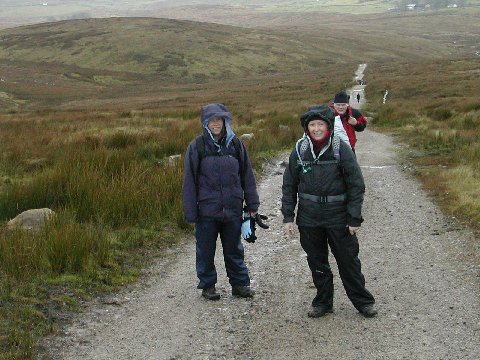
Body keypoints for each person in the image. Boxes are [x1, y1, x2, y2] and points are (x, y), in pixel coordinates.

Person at [281, 105, 377, 318]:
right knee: (317, 262)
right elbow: (289, 185)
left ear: (328, 126)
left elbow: (356, 184)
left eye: (320, 124)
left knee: (348, 261)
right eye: (312, 125)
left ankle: (363, 302)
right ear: (307, 128)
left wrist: (354, 218)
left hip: (338, 217)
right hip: (309, 217)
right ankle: (323, 302)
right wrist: (288, 217)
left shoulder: (340, 148)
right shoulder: (300, 150)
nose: (316, 129)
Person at [182, 103, 259, 300]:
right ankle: (208, 286)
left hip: (232, 209)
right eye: (212, 120)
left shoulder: (236, 145)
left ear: (226, 121)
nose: (216, 124)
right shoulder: (197, 146)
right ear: (205, 123)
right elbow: (189, 181)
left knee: (234, 249)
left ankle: (240, 284)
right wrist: (191, 212)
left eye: (219, 119)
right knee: (206, 251)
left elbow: (246, 176)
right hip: (206, 211)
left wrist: (252, 205)